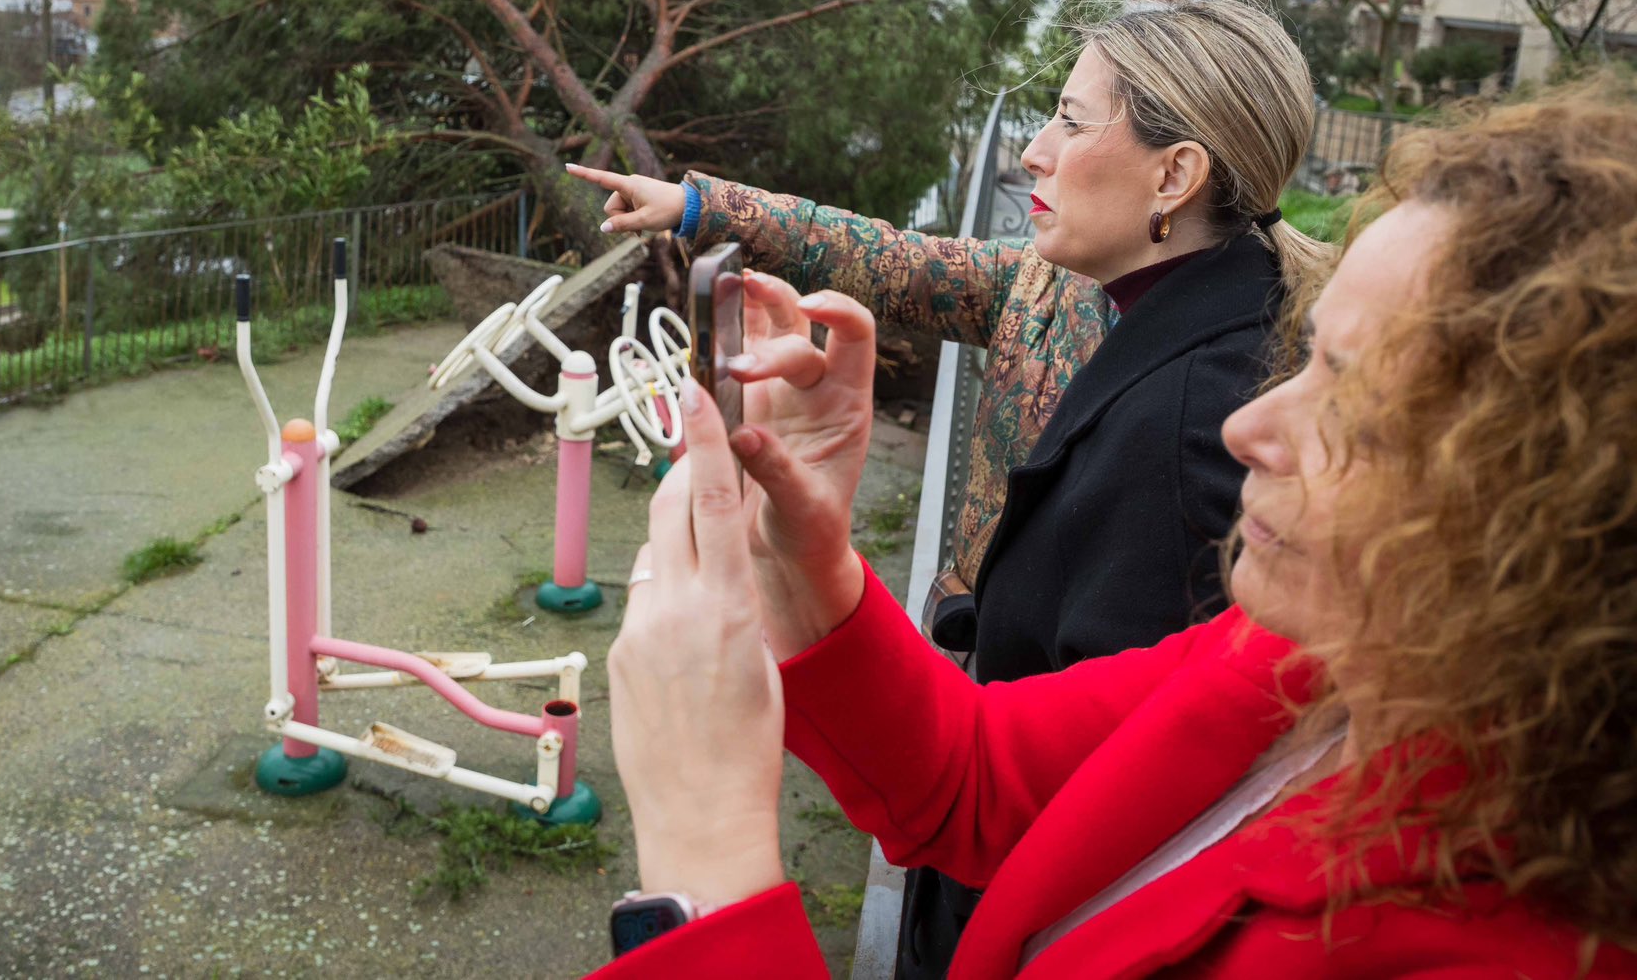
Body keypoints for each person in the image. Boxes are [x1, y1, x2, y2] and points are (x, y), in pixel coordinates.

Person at [592, 79, 1637, 977]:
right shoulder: (1311, 659)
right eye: (1305, 358)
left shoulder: (1495, 943)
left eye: (1352, 401)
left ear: (1549, 503)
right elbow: (976, 778)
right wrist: (805, 566)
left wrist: (702, 857)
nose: (1249, 424)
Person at [573, 0, 1329, 972]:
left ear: (1175, 173)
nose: (1031, 153)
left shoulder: (1209, 428)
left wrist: (699, 839)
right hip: (984, 792)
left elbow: (1116, 813)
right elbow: (894, 260)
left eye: (1068, 118)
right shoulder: (1059, 285)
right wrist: (699, 207)